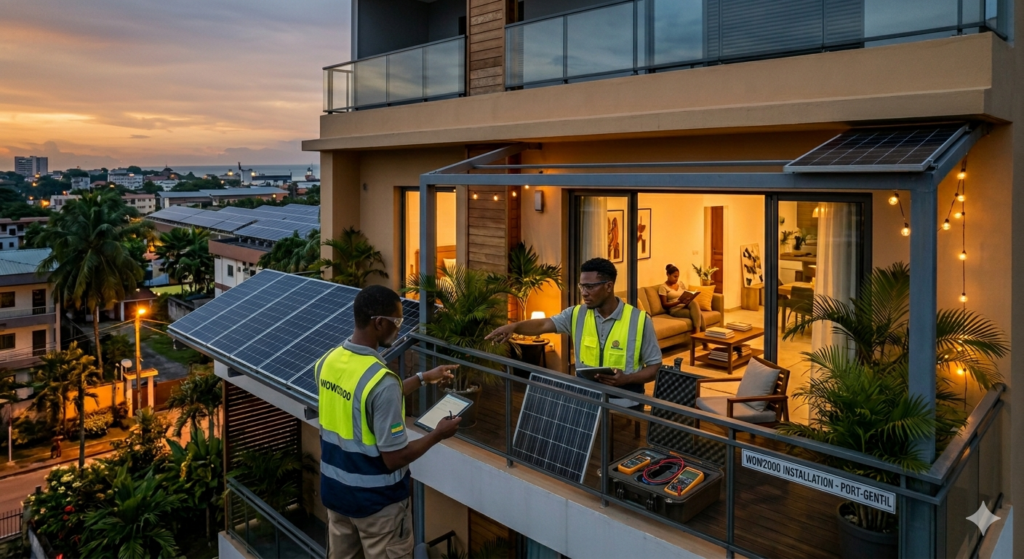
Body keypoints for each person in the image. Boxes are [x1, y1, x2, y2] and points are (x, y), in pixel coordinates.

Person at [316, 284, 461, 559]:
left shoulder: (328, 361)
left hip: (336, 498)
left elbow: (365, 402)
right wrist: (438, 434)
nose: (399, 328)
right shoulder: (381, 381)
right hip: (377, 509)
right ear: (379, 323)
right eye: (398, 321)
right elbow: (394, 458)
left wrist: (421, 378)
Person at [486, 257, 662, 407]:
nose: (584, 293)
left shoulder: (639, 321)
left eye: (590, 287)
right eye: (582, 286)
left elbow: (655, 368)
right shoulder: (576, 314)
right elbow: (543, 325)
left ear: (609, 286)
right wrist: (514, 327)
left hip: (625, 403)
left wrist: (627, 379)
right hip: (585, 400)